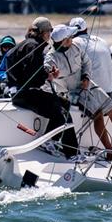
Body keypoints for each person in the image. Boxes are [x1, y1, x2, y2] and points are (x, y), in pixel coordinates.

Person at [44, 24, 112, 157]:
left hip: (87, 84)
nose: (72, 38)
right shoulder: (51, 57)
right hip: (71, 92)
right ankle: (110, 151)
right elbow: (47, 71)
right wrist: (52, 74)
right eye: (70, 37)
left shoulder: (75, 47)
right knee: (98, 115)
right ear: (63, 41)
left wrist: (86, 76)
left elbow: (87, 63)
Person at [7, 17, 79, 158]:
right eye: (50, 31)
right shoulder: (36, 46)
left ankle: (50, 141)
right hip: (27, 94)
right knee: (61, 112)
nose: (50, 34)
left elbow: (20, 66)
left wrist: (47, 75)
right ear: (43, 32)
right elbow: (32, 76)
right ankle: (72, 153)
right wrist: (48, 77)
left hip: (19, 93)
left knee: (64, 103)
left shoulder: (23, 44)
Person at [69, 17, 112, 94]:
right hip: (108, 90)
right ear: (86, 29)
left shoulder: (73, 42)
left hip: (91, 93)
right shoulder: (102, 40)